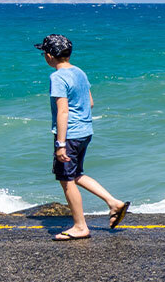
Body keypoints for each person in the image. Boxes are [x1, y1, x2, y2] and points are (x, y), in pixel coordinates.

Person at [35, 34, 129, 240]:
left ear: (49, 56)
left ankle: (80, 226)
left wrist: (60, 143)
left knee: (66, 179)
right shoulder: (79, 72)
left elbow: (63, 112)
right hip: (85, 132)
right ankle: (113, 203)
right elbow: (91, 102)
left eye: (44, 53)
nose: (44, 56)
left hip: (70, 134)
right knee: (77, 173)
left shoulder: (57, 77)